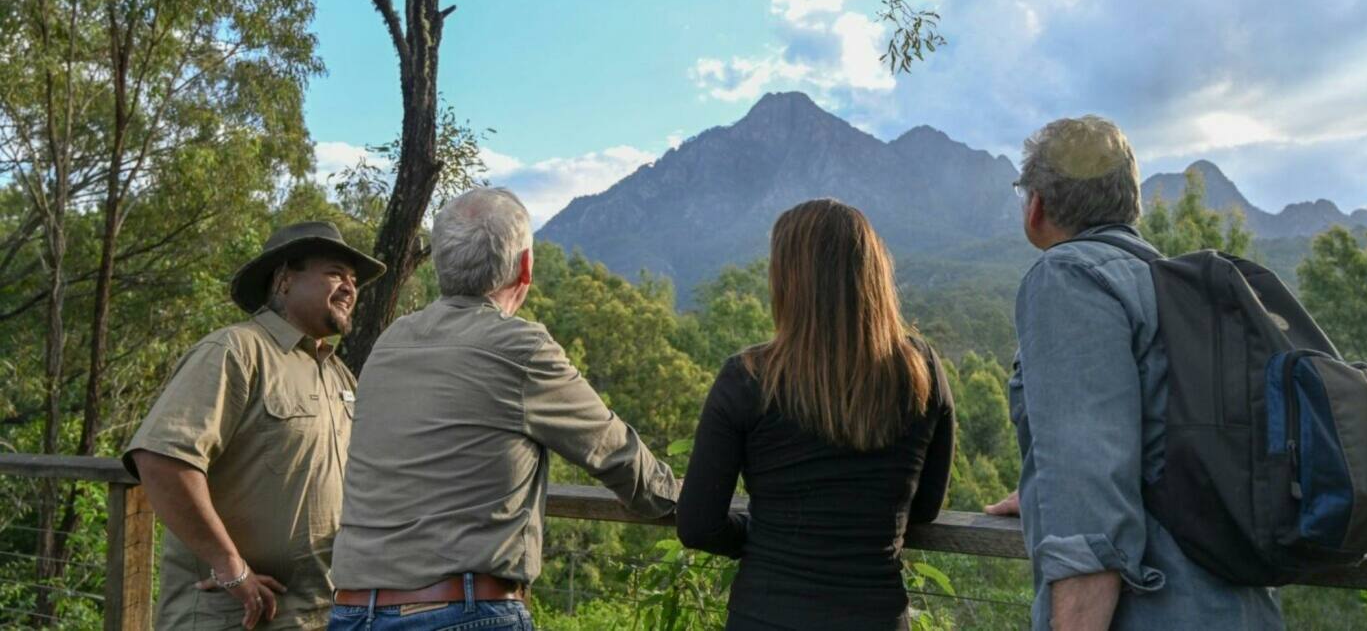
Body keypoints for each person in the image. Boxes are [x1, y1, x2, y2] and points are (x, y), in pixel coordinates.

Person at [327, 187, 678, 631]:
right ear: (525, 267)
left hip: (353, 613)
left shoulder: (389, 343)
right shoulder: (520, 347)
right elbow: (618, 456)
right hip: (459, 612)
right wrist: (695, 501)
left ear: (440, 264)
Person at [985, 116, 1282, 629]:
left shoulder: (1069, 278)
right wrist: (1043, 490)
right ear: (1130, 202)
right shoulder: (1169, 285)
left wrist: (1070, 490)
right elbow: (1153, 447)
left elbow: (1090, 511)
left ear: (1036, 207)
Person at [677, 198, 955, 631]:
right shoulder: (922, 370)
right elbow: (926, 508)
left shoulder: (748, 377)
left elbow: (698, 525)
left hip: (765, 615)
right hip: (876, 616)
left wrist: (763, 535)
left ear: (788, 281)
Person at [122, 221, 385, 630]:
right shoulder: (235, 351)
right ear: (283, 279)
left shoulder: (338, 374)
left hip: (322, 615)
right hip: (232, 617)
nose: (350, 288)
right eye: (335, 273)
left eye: (353, 279)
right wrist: (231, 567)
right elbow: (160, 460)